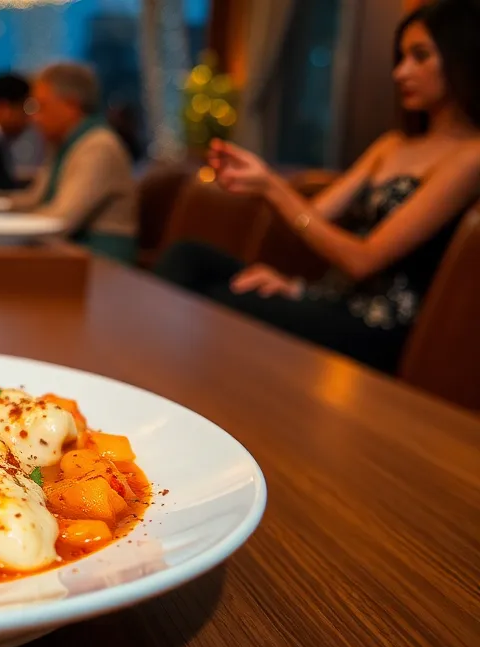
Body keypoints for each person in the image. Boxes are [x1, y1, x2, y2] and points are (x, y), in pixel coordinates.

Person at [155, 0, 480, 373]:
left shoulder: (471, 157)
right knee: (187, 257)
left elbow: (362, 260)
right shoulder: (392, 145)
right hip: (331, 298)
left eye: (419, 57)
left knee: (211, 303)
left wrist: (274, 187)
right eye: (401, 57)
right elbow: (314, 219)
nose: (401, 71)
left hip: (375, 326)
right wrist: (295, 285)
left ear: (462, 58)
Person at [12, 63, 137, 263]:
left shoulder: (98, 146)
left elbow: (60, 221)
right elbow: (35, 199)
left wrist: (0, 226)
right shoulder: (67, 143)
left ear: (71, 106)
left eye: (41, 106)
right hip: (70, 256)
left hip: (103, 269)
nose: (35, 118)